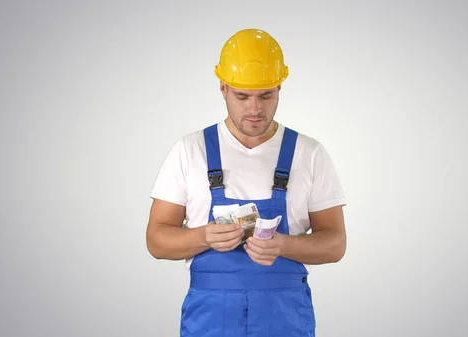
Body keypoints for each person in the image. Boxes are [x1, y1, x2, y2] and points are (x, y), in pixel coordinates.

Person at [146, 28, 347, 337]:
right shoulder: (190, 150)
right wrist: (205, 237)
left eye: (266, 95)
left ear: (280, 87)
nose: (255, 109)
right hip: (210, 319)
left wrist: (284, 245)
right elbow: (156, 240)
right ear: (223, 88)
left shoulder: (309, 154)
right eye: (242, 96)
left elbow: (335, 243)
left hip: (284, 316)